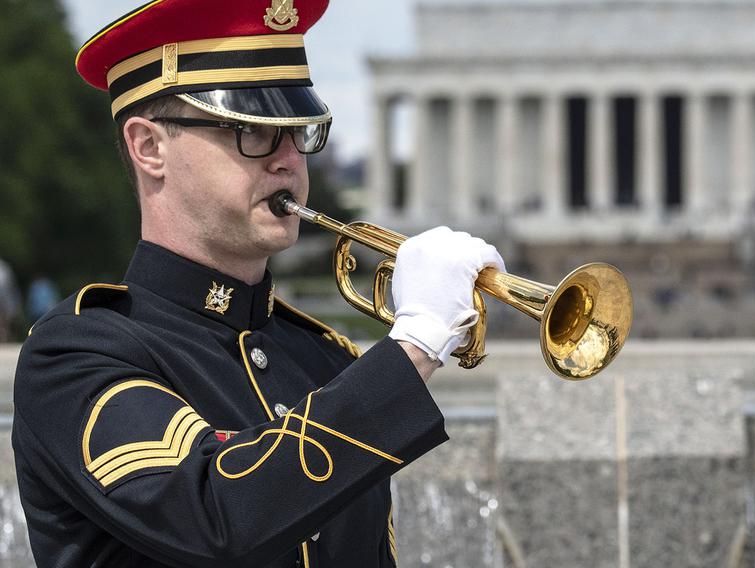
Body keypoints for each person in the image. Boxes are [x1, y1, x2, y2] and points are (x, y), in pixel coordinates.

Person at [11, 1, 504, 566]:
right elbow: (214, 515)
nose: (290, 160)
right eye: (253, 132)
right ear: (150, 147)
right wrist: (415, 344)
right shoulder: (77, 355)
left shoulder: (325, 359)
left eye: (298, 130)